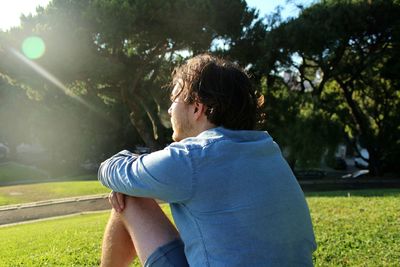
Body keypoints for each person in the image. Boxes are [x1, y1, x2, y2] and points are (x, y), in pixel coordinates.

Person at [98, 54, 317, 267]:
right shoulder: (268, 150)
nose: (169, 109)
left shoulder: (193, 158)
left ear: (196, 107)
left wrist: (129, 171)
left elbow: (108, 171)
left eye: (174, 99)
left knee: (129, 197)